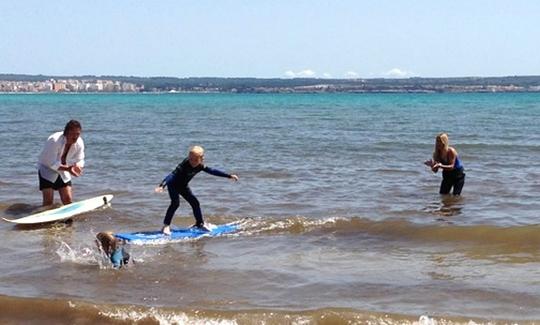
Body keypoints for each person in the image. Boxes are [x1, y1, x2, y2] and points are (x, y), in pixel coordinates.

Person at [155, 145, 239, 235]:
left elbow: (213, 171)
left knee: (195, 203)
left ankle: (199, 224)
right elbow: (172, 175)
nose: (192, 162)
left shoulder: (200, 166)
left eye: (195, 160)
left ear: (201, 159)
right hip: (173, 185)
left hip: (183, 186)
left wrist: (228, 176)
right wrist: (162, 185)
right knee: (175, 204)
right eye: (190, 159)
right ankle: (166, 226)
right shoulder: (184, 164)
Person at [37, 120, 85, 206]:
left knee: (68, 200)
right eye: (72, 134)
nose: (75, 137)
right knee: (48, 202)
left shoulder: (79, 142)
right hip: (47, 169)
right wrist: (68, 169)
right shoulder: (54, 140)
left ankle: (69, 219)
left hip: (64, 171)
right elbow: (51, 163)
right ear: (66, 133)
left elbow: (80, 158)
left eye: (77, 134)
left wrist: (78, 166)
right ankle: (47, 219)